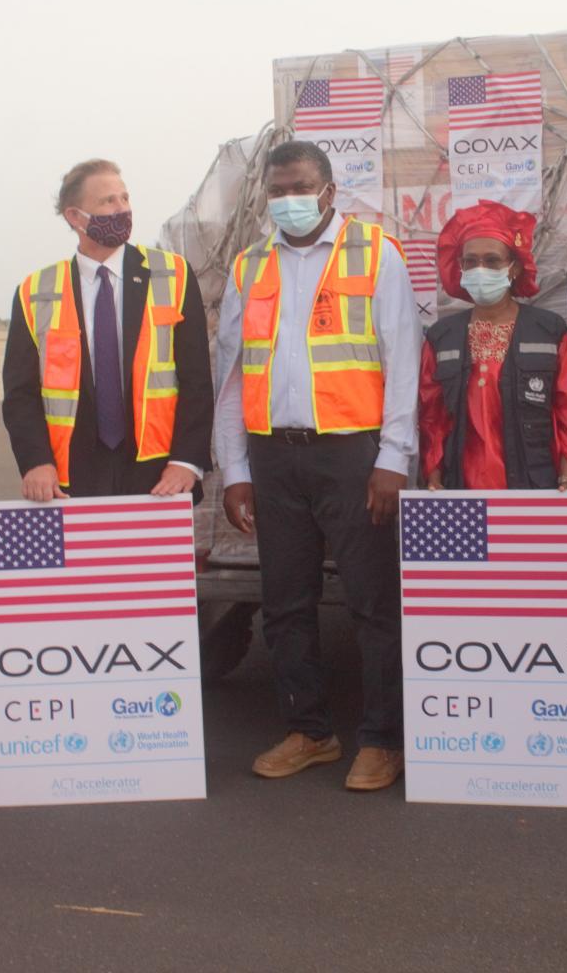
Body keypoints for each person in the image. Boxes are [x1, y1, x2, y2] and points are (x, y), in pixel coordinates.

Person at [214, 140, 420, 792]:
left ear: (330, 191)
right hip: (275, 458)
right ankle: (311, 731)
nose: (287, 201)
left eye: (299, 187)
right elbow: (231, 370)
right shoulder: (251, 265)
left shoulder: (373, 254)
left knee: (372, 602)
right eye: (277, 190)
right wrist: (235, 467)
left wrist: (394, 456)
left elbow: (403, 358)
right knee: (286, 603)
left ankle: (383, 739)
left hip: (353, 457)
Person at [4, 159, 212, 502]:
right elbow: (20, 394)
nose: (122, 209)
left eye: (125, 198)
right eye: (107, 202)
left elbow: (197, 381)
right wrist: (35, 462)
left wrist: (187, 461)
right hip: (70, 474)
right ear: (74, 217)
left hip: (159, 473)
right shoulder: (35, 291)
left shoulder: (173, 274)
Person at [418, 200, 567, 491]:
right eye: (470, 262)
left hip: (535, 487)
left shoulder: (548, 331)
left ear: (513, 268)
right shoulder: (441, 337)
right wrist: (434, 480)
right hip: (461, 489)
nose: (480, 269)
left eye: (492, 261)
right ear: (459, 268)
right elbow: (431, 416)